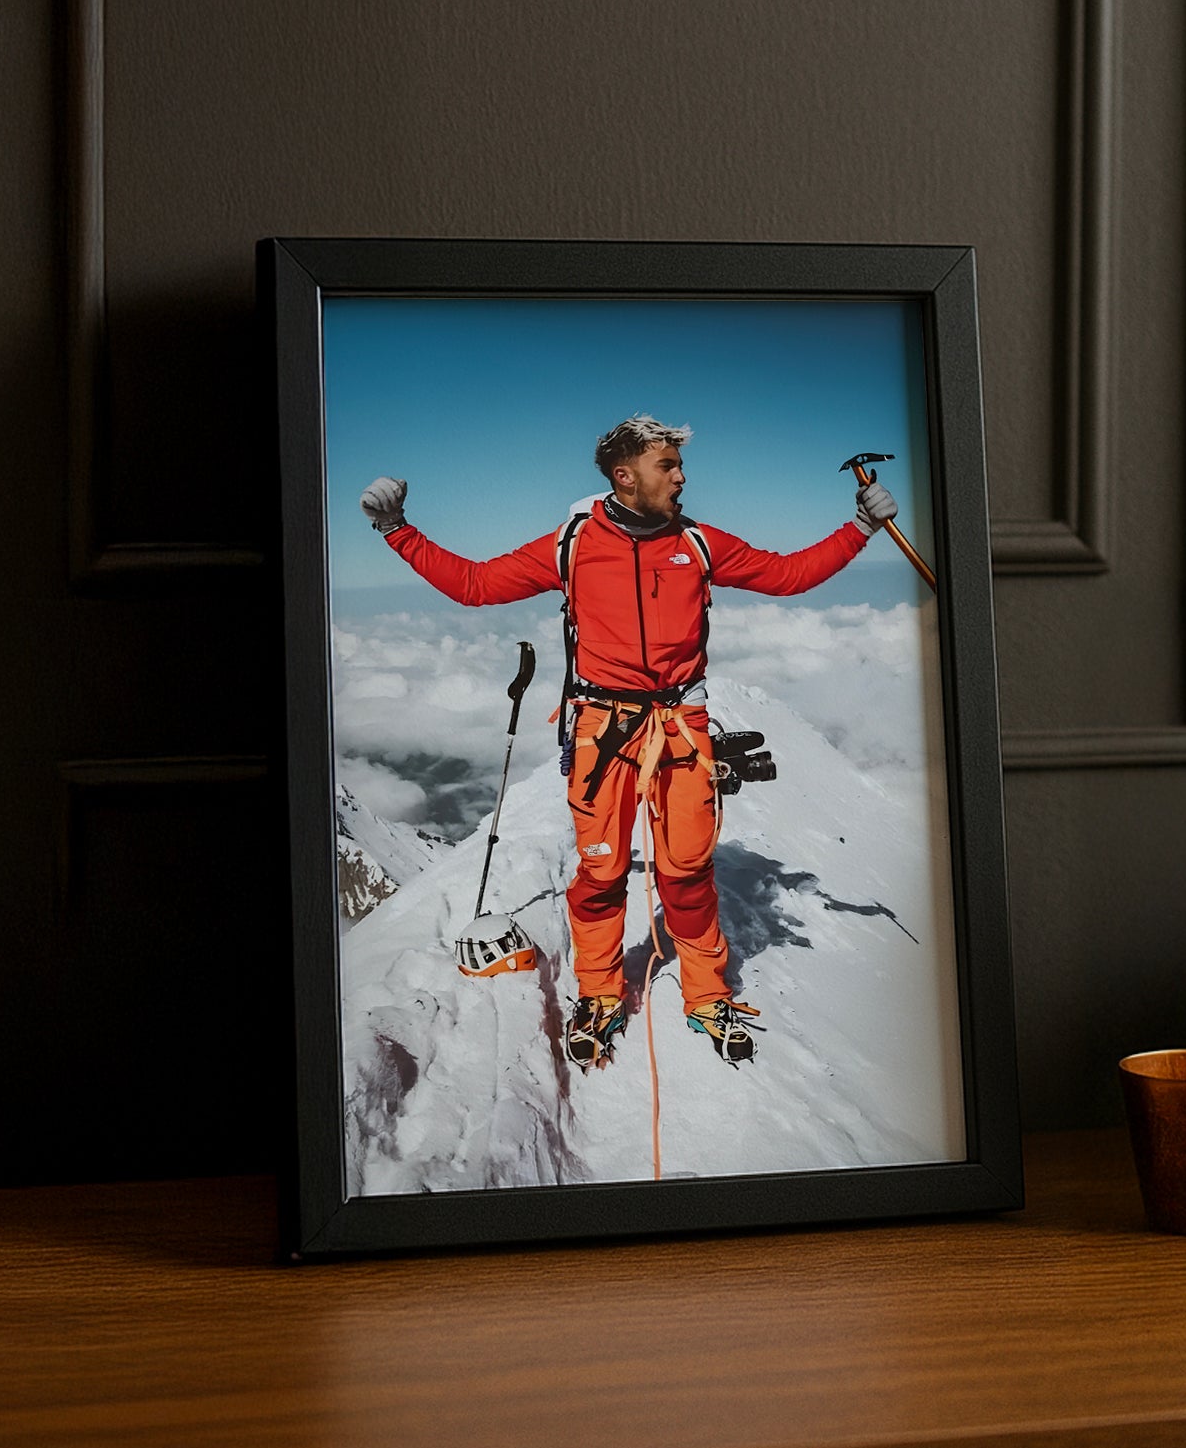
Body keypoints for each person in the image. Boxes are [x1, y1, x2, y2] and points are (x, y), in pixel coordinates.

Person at [360, 415, 898, 1069]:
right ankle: (599, 992)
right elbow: (475, 584)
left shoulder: (697, 543)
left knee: (687, 872)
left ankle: (706, 994)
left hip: (681, 727)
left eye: (679, 465)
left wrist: (861, 527)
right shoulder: (574, 544)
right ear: (625, 476)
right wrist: (396, 529)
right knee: (602, 872)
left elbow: (788, 575)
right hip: (602, 731)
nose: (682, 477)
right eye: (667, 465)